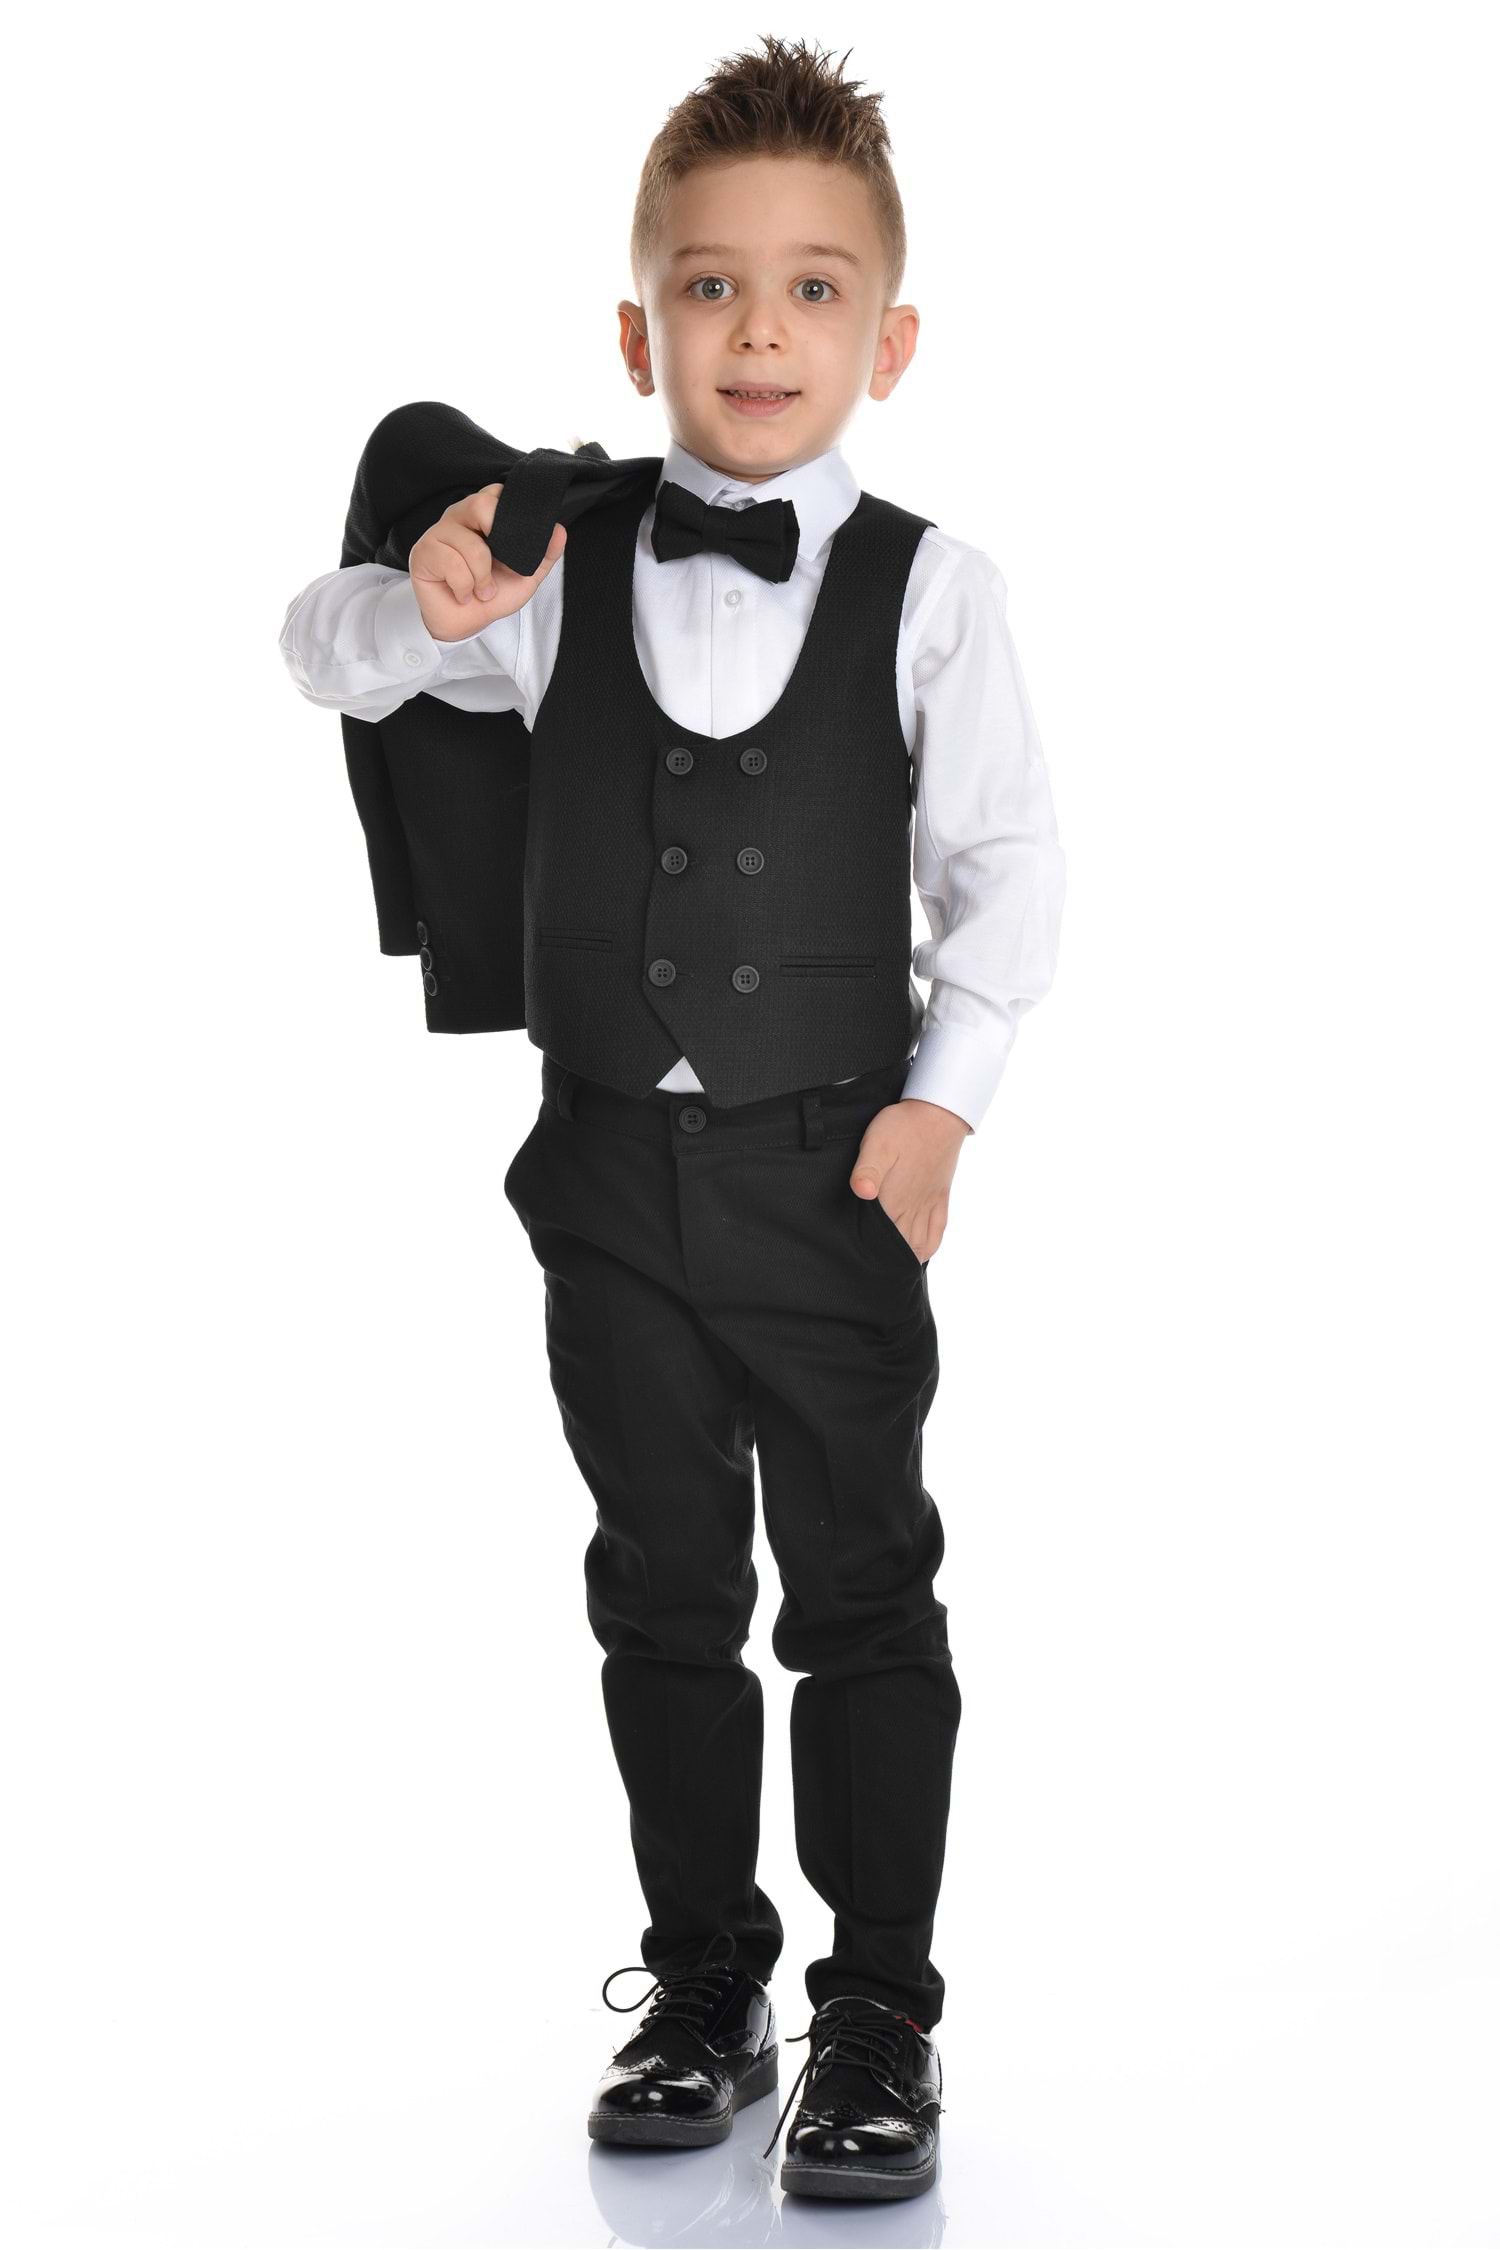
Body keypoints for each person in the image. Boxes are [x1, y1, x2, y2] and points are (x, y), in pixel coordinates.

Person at [279, 32, 1066, 2204]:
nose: (760, 331)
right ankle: (708, 1980)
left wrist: (942, 1112)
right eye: (710, 287)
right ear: (639, 333)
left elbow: (1011, 873)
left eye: (814, 288)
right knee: (658, 1585)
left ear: (890, 337)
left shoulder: (938, 591)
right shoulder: (560, 567)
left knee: (866, 1589)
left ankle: (879, 2011)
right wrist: (419, 593)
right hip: (608, 1175)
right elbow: (323, 656)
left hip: (835, 1171)